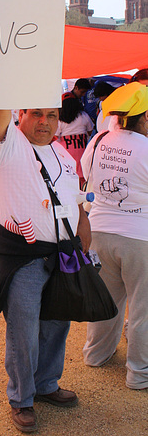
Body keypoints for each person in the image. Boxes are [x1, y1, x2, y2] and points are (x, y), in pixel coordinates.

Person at [0, 108, 91, 433]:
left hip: (63, 254)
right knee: (23, 331)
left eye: (52, 116)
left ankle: (46, 383)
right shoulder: (9, 144)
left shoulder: (61, 151)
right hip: (23, 257)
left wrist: (83, 222)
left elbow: (73, 194)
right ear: (21, 115)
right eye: (36, 114)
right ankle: (22, 398)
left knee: (57, 322)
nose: (45, 122)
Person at [81, 82, 148, 390]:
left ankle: (96, 354)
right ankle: (139, 374)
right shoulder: (146, 148)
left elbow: (86, 173)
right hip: (139, 238)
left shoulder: (99, 139)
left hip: (99, 232)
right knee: (143, 308)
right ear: (144, 117)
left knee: (105, 299)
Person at [55, 96, 93, 188]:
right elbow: (90, 130)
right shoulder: (83, 116)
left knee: (68, 177)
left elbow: (55, 136)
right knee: (83, 176)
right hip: (82, 150)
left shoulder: (60, 119)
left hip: (65, 152)